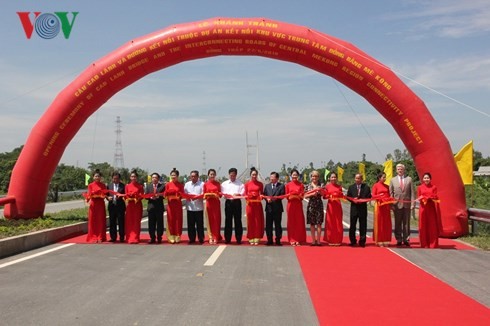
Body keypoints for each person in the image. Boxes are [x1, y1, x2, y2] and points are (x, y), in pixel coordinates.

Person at [389, 163, 415, 247]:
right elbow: (391, 193)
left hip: (407, 204)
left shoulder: (409, 179)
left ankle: (406, 239)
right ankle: (399, 239)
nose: (400, 170)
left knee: (406, 223)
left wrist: (413, 203)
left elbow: (412, 192)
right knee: (397, 222)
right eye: (398, 169)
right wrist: (391, 204)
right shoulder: (393, 180)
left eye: (401, 169)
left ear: (404, 170)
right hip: (397, 205)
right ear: (396, 170)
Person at [346, 173, 371, 247]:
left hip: (362, 208)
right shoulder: (351, 187)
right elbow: (348, 197)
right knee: (352, 225)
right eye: (356, 178)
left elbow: (369, 196)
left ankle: (362, 241)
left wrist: (361, 200)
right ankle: (353, 241)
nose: (357, 180)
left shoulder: (366, 187)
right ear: (354, 179)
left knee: (363, 225)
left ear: (361, 179)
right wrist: (353, 200)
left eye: (359, 178)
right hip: (354, 208)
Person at [417, 172, 441, 248]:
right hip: (423, 208)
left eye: (428, 178)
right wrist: (422, 198)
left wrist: (431, 198)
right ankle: (424, 244)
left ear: (430, 179)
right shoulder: (420, 187)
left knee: (432, 226)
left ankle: (433, 243)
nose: (426, 179)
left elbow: (436, 197)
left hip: (431, 208)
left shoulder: (434, 187)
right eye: (425, 178)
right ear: (423, 179)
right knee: (423, 226)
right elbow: (419, 197)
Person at [221, 168, 245, 244]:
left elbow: (242, 193)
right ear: (229, 175)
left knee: (238, 220)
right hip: (228, 202)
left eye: (234, 175)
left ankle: (238, 239)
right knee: (228, 220)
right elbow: (222, 193)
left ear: (236, 175)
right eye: (231, 175)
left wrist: (238, 194)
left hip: (237, 202)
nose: (232, 177)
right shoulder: (224, 184)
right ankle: (227, 239)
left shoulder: (240, 184)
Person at [285, 169, 306, 246]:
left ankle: (298, 239)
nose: (294, 176)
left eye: (296, 175)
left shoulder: (301, 185)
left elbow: (302, 196)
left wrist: (298, 196)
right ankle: (292, 239)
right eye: (293, 175)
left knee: (298, 222)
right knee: (291, 222)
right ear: (291, 176)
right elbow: (286, 196)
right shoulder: (288, 185)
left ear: (298, 176)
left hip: (298, 205)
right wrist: (291, 196)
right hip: (290, 205)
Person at [263, 171, 285, 246]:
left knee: (277, 225)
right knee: (268, 225)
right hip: (269, 208)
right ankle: (269, 240)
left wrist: (273, 199)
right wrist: (267, 199)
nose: (271, 178)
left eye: (273, 177)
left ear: (277, 178)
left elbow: (282, 196)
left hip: (277, 208)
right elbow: (264, 195)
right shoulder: (267, 186)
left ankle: (278, 239)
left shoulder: (281, 186)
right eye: (271, 177)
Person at [244, 167, 264, 245]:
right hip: (250, 205)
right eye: (253, 174)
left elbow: (262, 194)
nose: (254, 176)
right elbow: (245, 194)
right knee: (250, 221)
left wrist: (260, 196)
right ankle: (250, 237)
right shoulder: (247, 184)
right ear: (250, 175)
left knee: (257, 221)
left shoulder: (260, 184)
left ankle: (257, 237)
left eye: (255, 174)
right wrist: (249, 196)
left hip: (258, 205)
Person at [372, 172, 393, 247]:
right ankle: (379, 240)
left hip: (386, 206)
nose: (384, 178)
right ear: (379, 178)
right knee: (379, 222)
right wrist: (379, 196)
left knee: (386, 223)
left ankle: (386, 239)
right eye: (383, 177)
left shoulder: (387, 186)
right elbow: (373, 196)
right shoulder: (375, 185)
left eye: (385, 177)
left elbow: (389, 195)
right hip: (379, 206)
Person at [86, 170, 107, 243]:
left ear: (100, 177)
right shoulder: (90, 185)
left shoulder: (103, 185)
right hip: (93, 205)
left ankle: (100, 236)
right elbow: (88, 195)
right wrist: (88, 197)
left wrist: (102, 196)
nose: (97, 177)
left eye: (98, 176)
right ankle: (93, 236)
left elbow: (105, 195)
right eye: (95, 176)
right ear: (93, 177)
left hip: (100, 205)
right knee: (93, 221)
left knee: (100, 221)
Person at [323, 172, 344, 246]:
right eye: (332, 177)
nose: (333, 178)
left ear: (337, 178)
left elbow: (342, 196)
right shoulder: (327, 187)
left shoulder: (339, 187)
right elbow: (324, 197)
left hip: (337, 206)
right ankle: (331, 240)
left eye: (335, 177)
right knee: (330, 223)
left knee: (338, 223)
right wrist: (330, 196)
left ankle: (338, 240)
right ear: (329, 178)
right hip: (331, 207)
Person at [164, 168, 185, 244]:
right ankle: (171, 236)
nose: (173, 176)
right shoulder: (167, 185)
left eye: (174, 175)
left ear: (177, 176)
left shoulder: (180, 185)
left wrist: (178, 195)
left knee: (178, 220)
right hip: (170, 205)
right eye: (172, 175)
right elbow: (165, 194)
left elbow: (182, 194)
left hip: (178, 205)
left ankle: (178, 235)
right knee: (170, 219)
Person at [184, 170, 205, 245]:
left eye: (194, 176)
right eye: (191, 176)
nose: (192, 178)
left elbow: (203, 194)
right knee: (190, 224)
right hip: (190, 207)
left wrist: (197, 197)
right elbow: (184, 194)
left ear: (197, 177)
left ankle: (201, 238)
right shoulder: (187, 184)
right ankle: (191, 238)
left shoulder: (202, 184)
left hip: (199, 207)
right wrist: (187, 197)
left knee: (200, 224)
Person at [304, 170, 324, 246]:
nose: (314, 177)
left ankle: (318, 241)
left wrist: (320, 191)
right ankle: (313, 241)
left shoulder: (321, 185)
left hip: (319, 205)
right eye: (313, 176)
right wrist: (312, 193)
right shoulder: (308, 185)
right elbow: (305, 195)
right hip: (311, 205)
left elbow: (324, 195)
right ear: (311, 177)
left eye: (316, 176)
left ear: (318, 177)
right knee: (312, 224)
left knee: (319, 223)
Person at [203, 169, 222, 244]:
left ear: (215, 175)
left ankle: (216, 236)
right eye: (211, 174)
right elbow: (204, 195)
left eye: (213, 174)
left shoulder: (218, 184)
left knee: (216, 220)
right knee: (209, 220)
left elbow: (220, 194)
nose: (212, 176)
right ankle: (210, 237)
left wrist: (217, 194)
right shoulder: (205, 184)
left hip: (216, 204)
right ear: (208, 175)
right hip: (209, 204)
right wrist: (208, 195)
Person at [125, 170, 144, 244]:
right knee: (129, 221)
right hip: (130, 205)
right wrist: (128, 197)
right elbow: (125, 195)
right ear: (130, 177)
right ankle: (129, 237)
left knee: (136, 221)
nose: (133, 178)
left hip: (137, 205)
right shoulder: (127, 186)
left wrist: (137, 197)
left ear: (137, 177)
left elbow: (142, 195)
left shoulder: (140, 186)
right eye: (132, 176)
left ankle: (135, 237)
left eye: (135, 177)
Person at [145, 172, 165, 244]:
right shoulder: (148, 186)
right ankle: (152, 237)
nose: (154, 179)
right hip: (151, 207)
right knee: (151, 224)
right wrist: (150, 197)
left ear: (158, 179)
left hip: (159, 207)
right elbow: (146, 196)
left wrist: (159, 196)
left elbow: (164, 195)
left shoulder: (162, 186)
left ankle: (159, 237)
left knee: (160, 223)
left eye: (156, 178)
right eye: (153, 177)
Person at [106, 171, 125, 243]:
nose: (115, 180)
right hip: (112, 206)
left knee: (121, 222)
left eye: (117, 179)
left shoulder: (123, 186)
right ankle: (113, 237)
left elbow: (126, 195)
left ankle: (122, 237)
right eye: (114, 179)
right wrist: (108, 198)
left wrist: (121, 196)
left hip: (120, 206)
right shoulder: (109, 186)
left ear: (119, 179)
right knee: (112, 222)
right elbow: (106, 195)